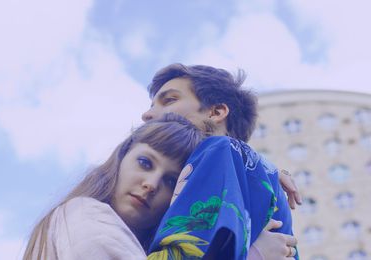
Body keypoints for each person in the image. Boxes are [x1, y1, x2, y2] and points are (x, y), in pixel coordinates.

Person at [142, 64, 299, 259]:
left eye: (169, 100)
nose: (146, 115)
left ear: (216, 112)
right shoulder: (257, 172)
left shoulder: (218, 150)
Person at [23, 114, 206, 259]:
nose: (151, 184)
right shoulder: (84, 213)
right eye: (145, 163)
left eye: (171, 181)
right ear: (122, 157)